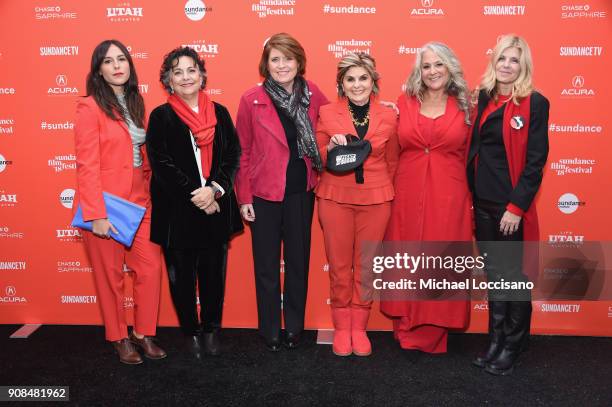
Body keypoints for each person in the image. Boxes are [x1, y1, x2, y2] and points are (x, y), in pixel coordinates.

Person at [146, 46, 243, 358]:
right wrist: (197, 195)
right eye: (178, 72)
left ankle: (211, 329)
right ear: (168, 81)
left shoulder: (221, 113)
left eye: (191, 70)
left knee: (214, 275)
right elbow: (161, 165)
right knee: (181, 278)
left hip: (216, 207)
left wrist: (214, 190)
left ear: (202, 75)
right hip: (178, 213)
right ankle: (190, 332)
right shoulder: (161, 117)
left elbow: (232, 156)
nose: (186, 77)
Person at [235, 33, 329, 351]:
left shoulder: (313, 94)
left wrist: (377, 105)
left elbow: (337, 121)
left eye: (287, 58)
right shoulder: (251, 99)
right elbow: (242, 151)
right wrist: (244, 197)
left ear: (298, 61)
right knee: (266, 265)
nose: (282, 65)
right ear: (266, 64)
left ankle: (294, 328)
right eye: (275, 59)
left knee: (298, 263)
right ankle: (270, 329)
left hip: (301, 192)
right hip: (263, 194)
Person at [74, 39, 166, 364]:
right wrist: (96, 213)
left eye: (122, 59)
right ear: (98, 69)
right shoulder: (89, 106)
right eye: (109, 61)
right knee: (110, 276)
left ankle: (143, 332)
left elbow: (141, 156)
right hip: (107, 205)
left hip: (142, 202)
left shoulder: (136, 102)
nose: (117, 65)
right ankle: (119, 337)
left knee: (151, 268)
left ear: (130, 65)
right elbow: (86, 163)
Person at [380, 42, 472, 354]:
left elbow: (473, 155)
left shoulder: (466, 106)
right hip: (407, 189)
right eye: (426, 66)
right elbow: (390, 151)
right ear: (419, 72)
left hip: (449, 192)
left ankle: (434, 328)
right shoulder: (403, 104)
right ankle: (406, 324)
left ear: (450, 68)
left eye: (438, 65)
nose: (432, 71)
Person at [467, 34, 549, 375]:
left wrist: (516, 208)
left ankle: (513, 344)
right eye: (502, 58)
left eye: (514, 60)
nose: (506, 65)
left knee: (513, 278)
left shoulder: (535, 103)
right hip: (482, 203)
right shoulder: (483, 98)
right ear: (493, 62)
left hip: (509, 209)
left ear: (523, 65)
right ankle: (496, 340)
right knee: (495, 275)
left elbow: (535, 162)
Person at [316, 52, 399, 356]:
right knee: (339, 268)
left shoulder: (390, 115)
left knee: (366, 267)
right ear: (341, 83)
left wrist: (385, 189)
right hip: (335, 197)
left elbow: (393, 161)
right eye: (350, 79)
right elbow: (318, 156)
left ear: (373, 81)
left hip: (376, 199)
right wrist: (331, 148)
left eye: (363, 78)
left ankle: (358, 328)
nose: (357, 84)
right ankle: (341, 327)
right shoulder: (326, 112)